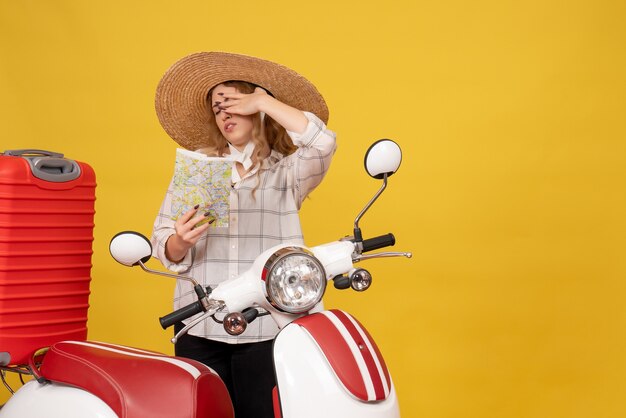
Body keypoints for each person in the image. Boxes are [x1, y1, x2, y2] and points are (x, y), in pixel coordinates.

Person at [151, 52, 336, 418]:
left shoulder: (287, 174)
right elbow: (162, 241)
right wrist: (180, 241)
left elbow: (322, 143)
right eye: (218, 108)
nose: (225, 113)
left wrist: (265, 99)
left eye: (234, 102)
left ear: (257, 109)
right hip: (199, 326)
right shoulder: (197, 171)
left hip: (266, 327)